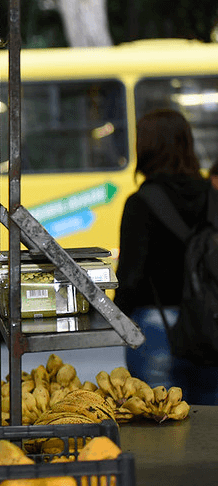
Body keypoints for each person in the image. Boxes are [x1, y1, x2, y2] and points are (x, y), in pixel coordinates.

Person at [114, 108, 218, 404]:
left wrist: (113, 316)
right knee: (212, 429)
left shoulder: (140, 204)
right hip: (212, 326)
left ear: (145, 148)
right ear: (188, 145)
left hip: (157, 326)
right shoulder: (212, 196)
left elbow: (131, 277)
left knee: (160, 427)